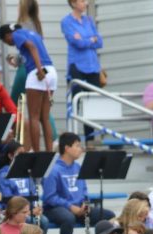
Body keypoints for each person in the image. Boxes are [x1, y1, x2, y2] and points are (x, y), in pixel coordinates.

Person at [42, 132, 115, 234]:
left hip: (79, 208)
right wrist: (70, 207)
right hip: (55, 209)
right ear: (67, 148)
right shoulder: (53, 170)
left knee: (108, 215)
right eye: (77, 145)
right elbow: (49, 197)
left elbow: (84, 191)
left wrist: (85, 205)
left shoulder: (78, 167)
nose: (80, 149)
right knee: (68, 218)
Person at [0, 22, 54, 151]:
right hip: (50, 71)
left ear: (7, 35)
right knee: (44, 117)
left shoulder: (16, 35)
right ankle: (49, 152)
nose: (9, 44)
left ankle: (37, 153)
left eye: (6, 41)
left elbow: (32, 48)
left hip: (38, 72)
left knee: (33, 116)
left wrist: (39, 69)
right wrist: (17, 62)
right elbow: (32, 53)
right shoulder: (31, 33)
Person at [62, 0, 102, 141]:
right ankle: (71, 139)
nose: (85, 2)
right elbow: (76, 43)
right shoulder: (67, 22)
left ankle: (90, 139)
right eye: (82, 0)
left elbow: (100, 42)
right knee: (76, 102)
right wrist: (91, 39)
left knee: (92, 102)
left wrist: (86, 39)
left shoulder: (89, 20)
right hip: (77, 66)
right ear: (73, 3)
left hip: (93, 66)